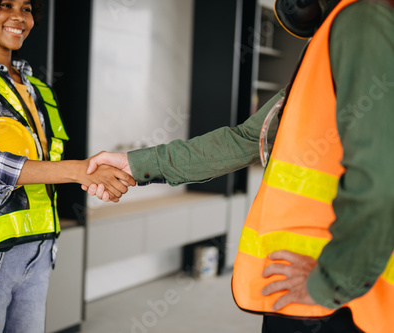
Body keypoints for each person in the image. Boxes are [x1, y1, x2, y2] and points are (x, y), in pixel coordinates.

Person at [84, 0, 394, 332]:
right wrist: (135, 163)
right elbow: (246, 139)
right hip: (312, 293)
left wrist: (330, 282)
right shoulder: (336, 34)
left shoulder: (363, 20)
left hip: (333, 302)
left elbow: (379, 181)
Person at [0, 1, 135, 332]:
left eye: (26, 8)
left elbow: (36, 163)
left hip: (38, 251)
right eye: (4, 5)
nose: (18, 17)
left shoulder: (37, 89)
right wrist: (78, 170)